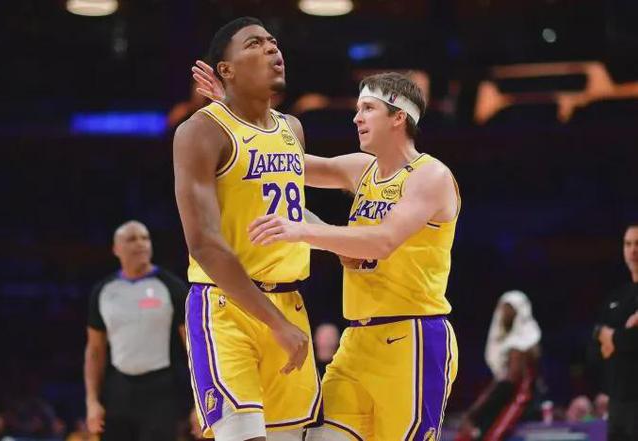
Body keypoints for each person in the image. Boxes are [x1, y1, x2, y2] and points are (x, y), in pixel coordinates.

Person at [244, 72, 460, 441]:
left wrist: (303, 231)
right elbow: (286, 164)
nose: (356, 118)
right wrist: (235, 110)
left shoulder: (431, 176)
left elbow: (383, 241)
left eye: (368, 109)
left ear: (398, 117)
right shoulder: (362, 169)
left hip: (412, 339)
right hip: (357, 341)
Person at [173, 17, 321, 441]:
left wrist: (334, 240)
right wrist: (275, 323)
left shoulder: (292, 128)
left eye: (273, 42)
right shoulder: (200, 131)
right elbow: (203, 244)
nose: (273, 49)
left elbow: (289, 213)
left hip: (289, 303)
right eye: (255, 44)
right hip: (228, 307)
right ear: (226, 69)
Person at [84, 220, 189, 441]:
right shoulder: (103, 291)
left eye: (145, 238)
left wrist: (199, 404)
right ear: (116, 249)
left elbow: (193, 348)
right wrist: (92, 401)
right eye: (132, 239)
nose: (141, 244)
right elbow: (95, 350)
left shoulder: (173, 287)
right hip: (118, 389)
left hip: (162, 390)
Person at [457, 290, 541, 441]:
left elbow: (510, 381)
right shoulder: (510, 341)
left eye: (509, 309)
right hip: (509, 396)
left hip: (521, 399)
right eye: (503, 309)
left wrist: (476, 411)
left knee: (490, 435)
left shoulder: (523, 341)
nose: (504, 314)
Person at [592, 223, 638, 441]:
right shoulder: (616, 296)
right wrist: (611, 337)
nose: (633, 250)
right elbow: (595, 337)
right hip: (617, 404)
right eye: (628, 244)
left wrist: (613, 339)